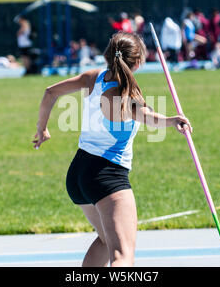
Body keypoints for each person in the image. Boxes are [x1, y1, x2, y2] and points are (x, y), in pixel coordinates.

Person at [32, 32, 193, 267]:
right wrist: (172, 121)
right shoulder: (126, 93)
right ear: (137, 62)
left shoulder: (93, 78)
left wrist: (42, 129)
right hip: (107, 176)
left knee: (107, 241)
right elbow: (146, 116)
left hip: (78, 174)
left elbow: (50, 92)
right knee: (122, 257)